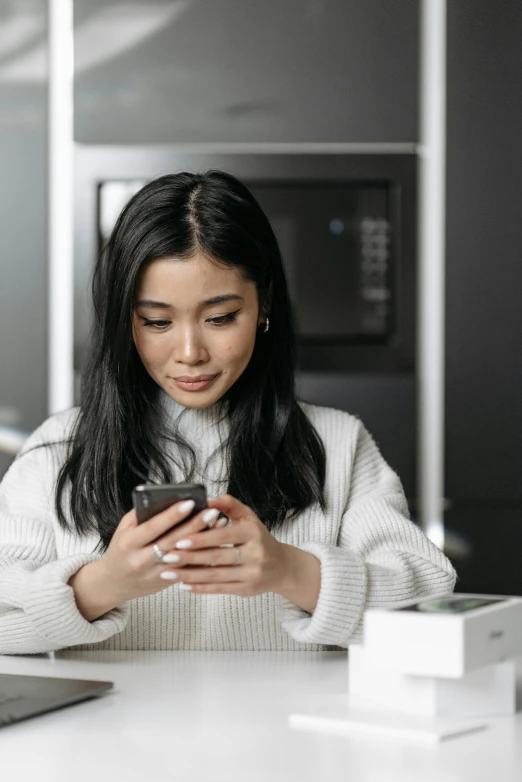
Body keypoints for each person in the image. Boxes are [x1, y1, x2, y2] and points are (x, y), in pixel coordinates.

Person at [0, 171, 456, 654]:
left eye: (220, 318)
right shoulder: (58, 451)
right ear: (123, 321)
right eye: (156, 322)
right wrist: (100, 586)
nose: (191, 352)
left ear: (265, 305)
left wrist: (289, 570)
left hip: (292, 731)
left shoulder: (337, 443)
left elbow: (432, 601)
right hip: (110, 731)